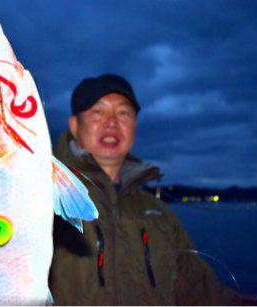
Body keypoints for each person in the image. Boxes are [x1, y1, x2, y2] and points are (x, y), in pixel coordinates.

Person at [49, 74, 241, 305]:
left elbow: (201, 290)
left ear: (134, 125)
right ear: (74, 125)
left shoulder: (159, 213)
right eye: (98, 112)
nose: (112, 122)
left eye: (123, 113)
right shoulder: (40, 199)